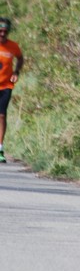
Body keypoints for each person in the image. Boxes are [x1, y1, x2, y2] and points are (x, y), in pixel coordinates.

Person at [0, 18, 24, 163]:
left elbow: (20, 58)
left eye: (5, 31)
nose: (2, 34)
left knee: (1, 116)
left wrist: (16, 72)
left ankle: (0, 148)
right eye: (0, 31)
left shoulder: (13, 46)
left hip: (5, 86)